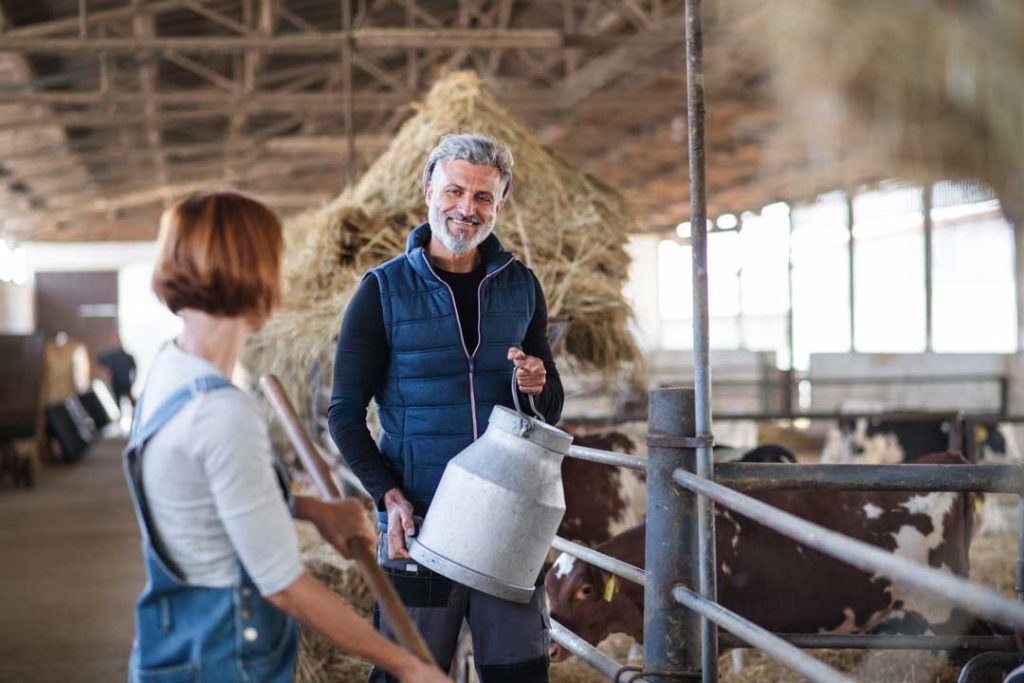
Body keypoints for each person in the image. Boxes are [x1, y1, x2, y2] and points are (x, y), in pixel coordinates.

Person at [125, 192, 447, 683]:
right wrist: (409, 667)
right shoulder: (220, 412)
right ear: (258, 274)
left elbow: (206, 498)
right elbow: (284, 587)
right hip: (228, 658)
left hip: (177, 643)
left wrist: (311, 510)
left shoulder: (171, 372)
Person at [329, 133, 564, 682]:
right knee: (409, 673)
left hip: (510, 520)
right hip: (420, 522)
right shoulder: (381, 292)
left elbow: (548, 407)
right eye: (455, 191)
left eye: (484, 197)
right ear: (429, 191)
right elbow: (344, 413)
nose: (466, 208)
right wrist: (388, 494)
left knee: (519, 673)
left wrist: (535, 382)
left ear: (500, 204)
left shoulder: (521, 287)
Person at [97, 333, 137, 410]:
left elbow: (134, 370)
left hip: (125, 383)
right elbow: (99, 360)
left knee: (131, 401)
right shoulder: (110, 356)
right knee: (117, 406)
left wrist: (133, 381)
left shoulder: (127, 356)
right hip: (116, 384)